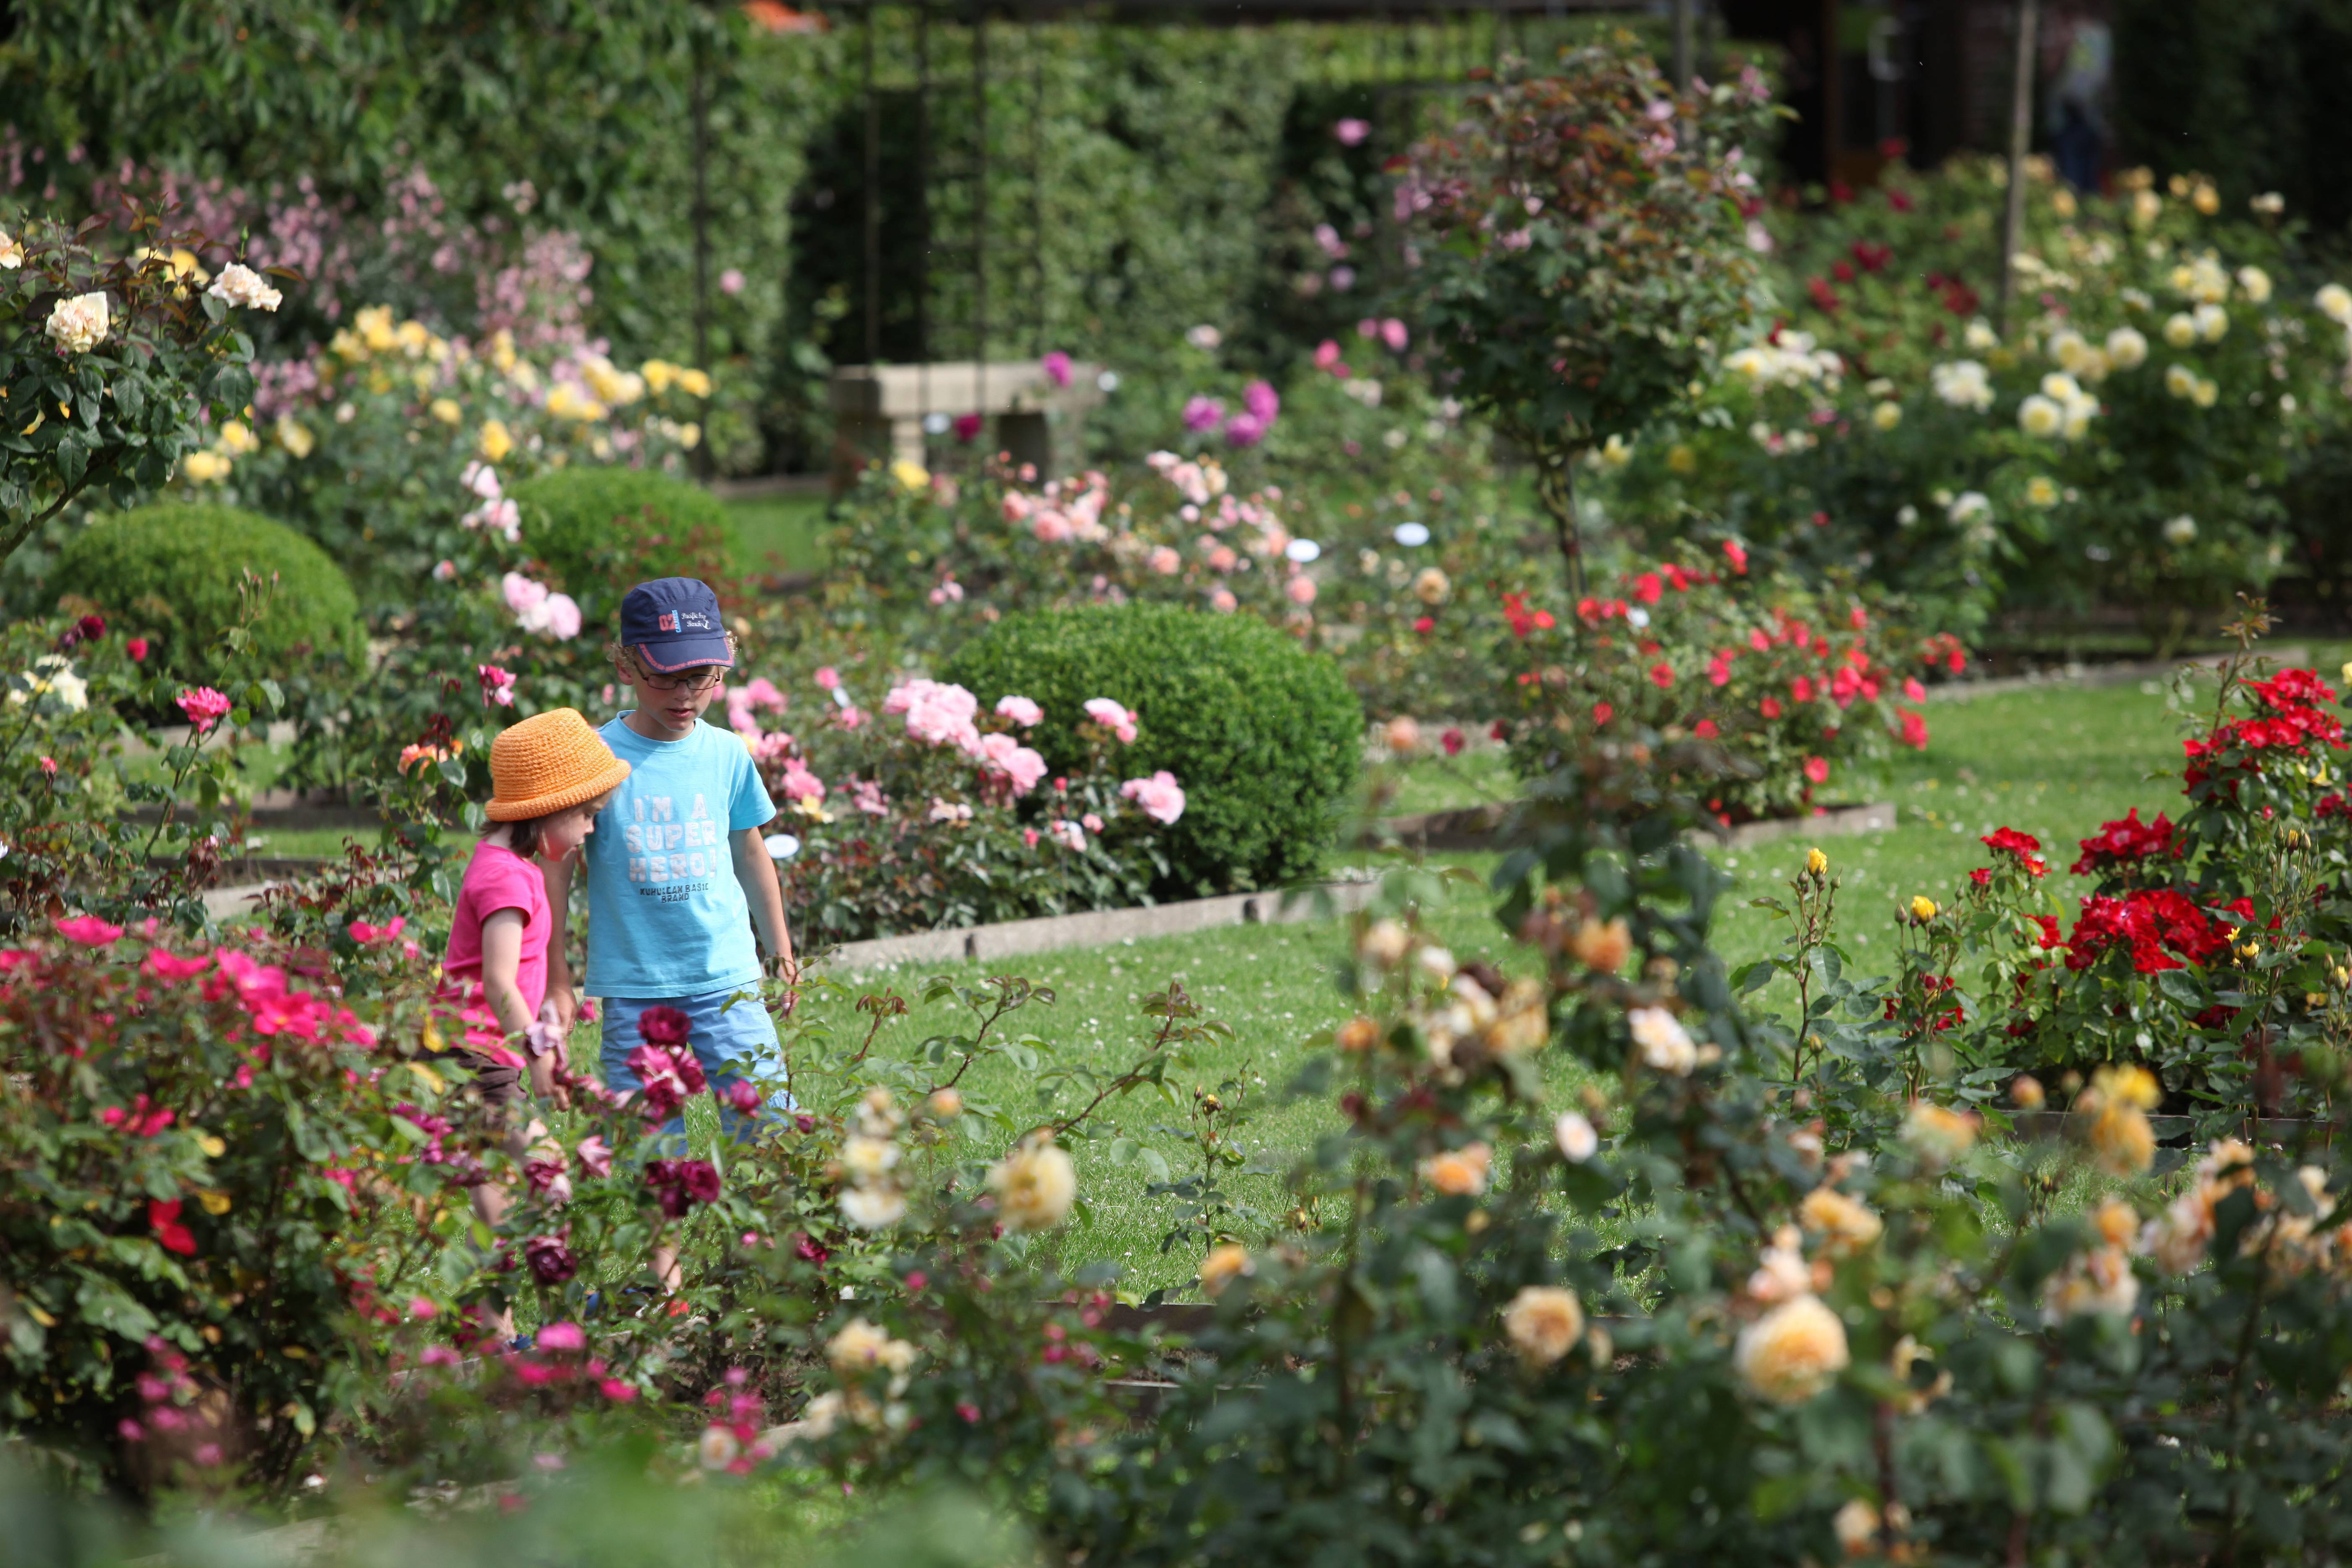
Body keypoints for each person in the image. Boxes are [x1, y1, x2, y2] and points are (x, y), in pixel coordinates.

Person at [542, 577, 798, 1158]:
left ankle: (761, 1220)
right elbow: (556, 868)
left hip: (728, 981)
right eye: (665, 676)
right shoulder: (597, 759)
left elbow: (751, 852)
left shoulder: (726, 753)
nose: (684, 695)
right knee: (651, 1147)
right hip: (635, 987)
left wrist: (779, 948)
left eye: (699, 676)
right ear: (626, 666)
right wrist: (557, 976)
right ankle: (667, 1222)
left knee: (768, 1132)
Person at [436, 707, 630, 1338]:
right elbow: (497, 982)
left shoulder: (503, 864)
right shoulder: (509, 882)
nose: (591, 829)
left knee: (494, 1198)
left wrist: (548, 1005)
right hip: (481, 1058)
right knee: (549, 1175)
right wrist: (539, 1049)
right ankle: (564, 1308)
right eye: (587, 815)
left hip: (466, 1053)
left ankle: (497, 1335)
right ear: (548, 810)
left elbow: (509, 976)